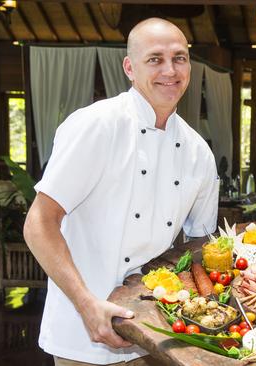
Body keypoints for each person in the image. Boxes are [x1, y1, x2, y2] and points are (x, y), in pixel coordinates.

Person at [23, 18, 219, 365]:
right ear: (130, 67)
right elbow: (39, 223)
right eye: (155, 59)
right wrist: (87, 304)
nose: (170, 70)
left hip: (155, 336)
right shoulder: (96, 125)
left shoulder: (197, 151)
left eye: (180, 58)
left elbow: (200, 247)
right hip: (83, 335)